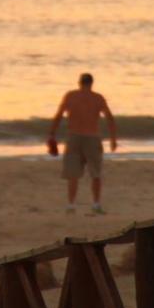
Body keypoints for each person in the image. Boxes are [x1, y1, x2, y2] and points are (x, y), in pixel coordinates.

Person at [47, 72, 117, 214]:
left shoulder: (70, 96)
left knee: (73, 174)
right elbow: (109, 118)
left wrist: (52, 134)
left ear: (79, 83)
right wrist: (113, 139)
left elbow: (59, 115)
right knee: (95, 173)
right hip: (92, 137)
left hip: (74, 137)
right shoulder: (98, 98)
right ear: (91, 83)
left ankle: (71, 205)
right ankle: (96, 204)